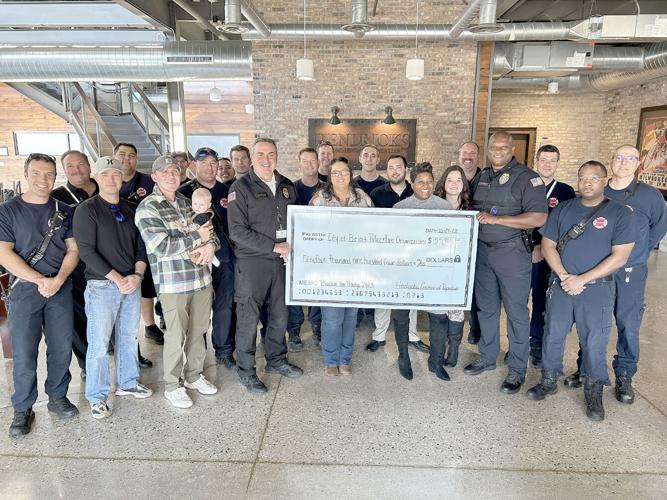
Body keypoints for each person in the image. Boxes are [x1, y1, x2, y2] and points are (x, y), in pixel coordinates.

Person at [526, 160, 636, 422]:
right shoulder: (564, 209)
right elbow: (548, 245)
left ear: (604, 180)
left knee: (594, 342)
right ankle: (549, 380)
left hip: (597, 289)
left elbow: (620, 256)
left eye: (593, 178)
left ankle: (593, 390)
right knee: (553, 334)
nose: (587, 183)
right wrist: (564, 276)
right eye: (582, 178)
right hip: (562, 285)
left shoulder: (620, 213)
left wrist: (582, 279)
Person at [563, 145, 667, 403]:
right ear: (611, 162)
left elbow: (658, 229)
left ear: (638, 163)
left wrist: (637, 253)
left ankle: (624, 375)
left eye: (630, 158)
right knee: (591, 324)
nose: (624, 162)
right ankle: (585, 368)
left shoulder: (650, 196)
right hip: (597, 271)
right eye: (619, 157)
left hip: (630, 272)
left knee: (628, 324)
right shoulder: (600, 190)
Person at [0, 153, 80, 437]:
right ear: (25, 173)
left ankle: (58, 397)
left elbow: (73, 249)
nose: (43, 180)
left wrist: (58, 279)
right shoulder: (8, 210)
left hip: (59, 288)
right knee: (24, 351)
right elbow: (3, 252)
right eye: (36, 173)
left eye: (48, 174)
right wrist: (38, 279)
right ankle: (23, 408)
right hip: (25, 289)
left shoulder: (64, 210)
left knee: (60, 346)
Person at [464, 131, 547, 395]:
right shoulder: (482, 176)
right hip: (483, 255)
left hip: (512, 256)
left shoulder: (527, 178)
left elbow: (538, 218)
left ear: (512, 149)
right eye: (493, 146)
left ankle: (516, 369)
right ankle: (488, 357)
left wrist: (498, 220)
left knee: (516, 313)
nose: (498, 150)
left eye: (503, 146)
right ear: (488, 149)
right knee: (486, 309)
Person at [135, 156, 219, 409]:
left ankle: (194, 375)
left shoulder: (188, 202)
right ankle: (172, 385)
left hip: (201, 279)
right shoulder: (148, 208)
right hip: (174, 285)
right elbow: (160, 246)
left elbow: (211, 232)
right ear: (155, 177)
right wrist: (197, 237)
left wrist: (212, 247)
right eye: (166, 172)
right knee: (176, 336)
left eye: (176, 170)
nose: (172, 175)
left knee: (199, 331)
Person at [73, 157, 153, 419]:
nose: (111, 179)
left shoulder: (132, 208)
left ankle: (128, 383)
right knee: (98, 343)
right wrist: (118, 279)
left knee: (129, 337)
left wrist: (137, 276)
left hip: (132, 284)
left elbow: (141, 247)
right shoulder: (87, 209)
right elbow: (87, 251)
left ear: (122, 178)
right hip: (102, 286)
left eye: (116, 174)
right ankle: (97, 396)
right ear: (96, 176)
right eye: (105, 174)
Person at [228, 138, 303, 395]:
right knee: (248, 320)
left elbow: (297, 222)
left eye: (271, 154)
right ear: (252, 158)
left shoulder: (287, 186)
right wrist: (273, 247)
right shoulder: (241, 187)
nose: (266, 159)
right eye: (260, 154)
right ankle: (247, 372)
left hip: (281, 263)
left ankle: (276, 360)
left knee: (279, 315)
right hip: (252, 264)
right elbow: (237, 231)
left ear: (277, 156)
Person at [310, 157, 372, 376]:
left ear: (350, 174)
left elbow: (374, 229)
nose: (340, 176)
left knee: (350, 316)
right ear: (329, 176)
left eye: (344, 172)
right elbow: (309, 232)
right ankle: (330, 360)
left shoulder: (362, 197)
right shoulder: (320, 199)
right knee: (332, 318)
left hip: (356, 268)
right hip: (330, 269)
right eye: (335, 172)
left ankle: (345, 358)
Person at [392, 162, 452, 381]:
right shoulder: (400, 208)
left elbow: (451, 241)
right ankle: (403, 358)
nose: (425, 185)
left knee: (438, 316)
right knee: (401, 316)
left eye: (429, 181)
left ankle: (436, 362)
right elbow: (392, 243)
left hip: (435, 273)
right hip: (406, 273)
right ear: (412, 183)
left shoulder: (444, 207)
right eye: (420, 181)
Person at [179, 147, 236, 370]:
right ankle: (197, 354)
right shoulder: (184, 193)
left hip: (225, 259)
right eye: (204, 163)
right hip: (196, 260)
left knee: (224, 305)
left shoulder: (228, 190)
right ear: (194, 165)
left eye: (214, 163)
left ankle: (224, 350)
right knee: (197, 310)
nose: (210, 167)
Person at [366, 155, 427, 354]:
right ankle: (379, 336)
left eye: (398, 167)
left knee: (411, 295)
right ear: (387, 170)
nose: (394, 171)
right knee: (382, 295)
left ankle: (412, 336)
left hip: (412, 254)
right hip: (385, 253)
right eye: (391, 167)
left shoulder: (416, 191)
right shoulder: (377, 193)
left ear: (405, 169)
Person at [51, 150, 99, 378]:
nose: (77, 170)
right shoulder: (56, 198)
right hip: (76, 267)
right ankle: (86, 363)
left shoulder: (107, 187)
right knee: (79, 316)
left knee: (118, 313)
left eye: (80, 164)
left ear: (89, 165)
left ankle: (129, 354)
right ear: (64, 170)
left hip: (109, 263)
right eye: (70, 166)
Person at [528, 145, 575, 367]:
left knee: (540, 301)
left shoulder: (565, 192)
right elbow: (517, 217)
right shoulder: (525, 184)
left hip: (548, 256)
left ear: (557, 163)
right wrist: (530, 247)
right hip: (521, 252)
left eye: (552, 160)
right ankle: (518, 343)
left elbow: (565, 226)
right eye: (543, 159)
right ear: (536, 160)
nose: (547, 164)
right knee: (516, 301)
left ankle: (536, 342)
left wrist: (542, 246)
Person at [114, 142, 163, 354]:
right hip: (120, 246)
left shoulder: (147, 181)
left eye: (131, 155)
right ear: (114, 156)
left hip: (148, 242)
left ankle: (150, 325)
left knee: (148, 286)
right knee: (124, 294)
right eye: (122, 155)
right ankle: (126, 344)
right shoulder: (108, 180)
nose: (127, 159)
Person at [433, 164, 472, 368]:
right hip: (437, 266)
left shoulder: (470, 209)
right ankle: (438, 347)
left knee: (456, 310)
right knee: (439, 310)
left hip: (461, 268)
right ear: (443, 183)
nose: (454, 184)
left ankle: (454, 348)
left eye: (458, 180)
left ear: (463, 184)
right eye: (450, 180)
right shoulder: (434, 206)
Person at [287, 147, 325, 350]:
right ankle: (294, 330)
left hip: (320, 249)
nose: (310, 164)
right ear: (299, 163)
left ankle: (317, 326)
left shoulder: (328, 189)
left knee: (317, 289)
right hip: (296, 249)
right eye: (305, 161)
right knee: (295, 289)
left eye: (313, 161)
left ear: (319, 163)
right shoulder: (290, 189)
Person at [455, 141, 482, 344]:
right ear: (459, 155)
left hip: (481, 242)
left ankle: (475, 328)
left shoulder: (487, 178)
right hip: (457, 245)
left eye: (472, 153)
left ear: (478, 157)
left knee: (478, 289)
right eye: (465, 152)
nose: (468, 156)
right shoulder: (453, 177)